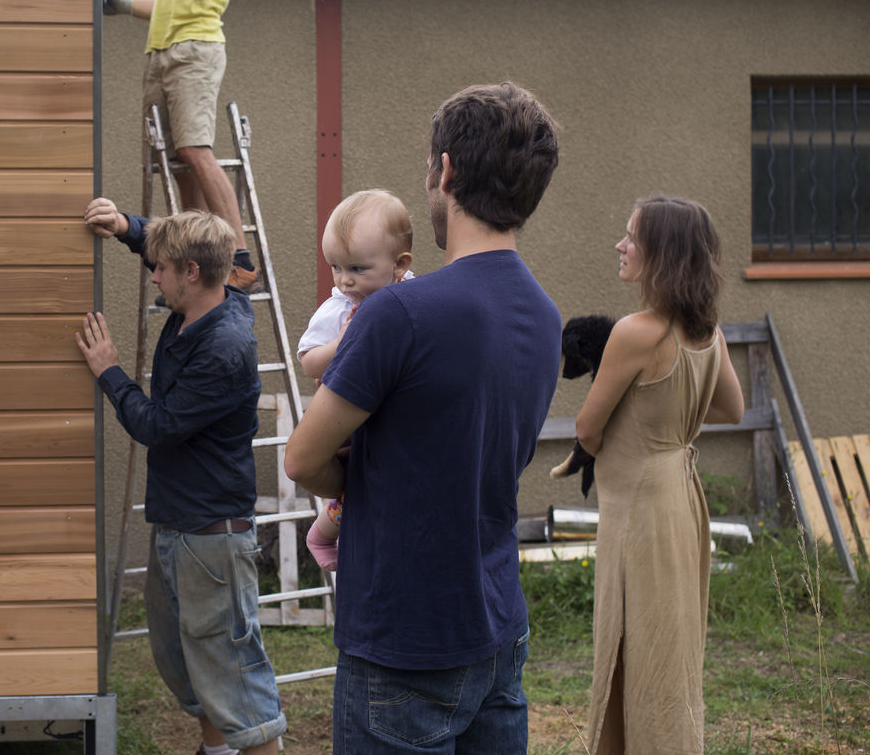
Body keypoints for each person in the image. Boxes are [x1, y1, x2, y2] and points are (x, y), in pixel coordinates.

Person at [284, 82, 562, 754]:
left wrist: (356, 482)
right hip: (498, 626)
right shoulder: (545, 315)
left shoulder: (398, 313)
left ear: (446, 171)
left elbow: (301, 459)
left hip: (403, 639)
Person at [76, 198, 286, 755]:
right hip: (178, 526)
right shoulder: (218, 289)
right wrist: (126, 227)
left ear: (192, 272)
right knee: (191, 668)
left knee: (235, 683)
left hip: (210, 540)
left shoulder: (223, 348)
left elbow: (158, 426)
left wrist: (109, 370)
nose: (154, 275)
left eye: (161, 268)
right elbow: (170, 244)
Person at [550, 195, 744, 754]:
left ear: (663, 254)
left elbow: (588, 428)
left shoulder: (638, 332)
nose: (620, 245)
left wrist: (636, 431)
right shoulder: (707, 333)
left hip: (637, 510)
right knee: (670, 643)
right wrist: (667, 424)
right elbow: (730, 409)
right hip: (681, 498)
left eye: (632, 237)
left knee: (635, 645)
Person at [101, 0, 262, 293]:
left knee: (194, 149)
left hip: (195, 47)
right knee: (176, 160)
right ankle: (198, 248)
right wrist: (122, 4)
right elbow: (170, 3)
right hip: (164, 48)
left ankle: (239, 258)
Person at [295, 188, 415, 572]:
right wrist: (341, 343)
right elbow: (308, 362)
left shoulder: (413, 295)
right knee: (355, 478)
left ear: (400, 265)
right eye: (336, 267)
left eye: (357, 269)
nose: (344, 280)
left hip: (394, 411)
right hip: (349, 415)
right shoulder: (339, 309)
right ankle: (322, 532)